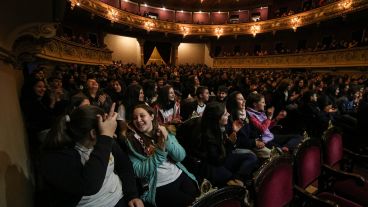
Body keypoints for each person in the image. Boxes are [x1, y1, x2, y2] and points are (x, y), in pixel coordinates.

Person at [40, 104, 144, 207]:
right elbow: (90, 185)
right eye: (108, 129)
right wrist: (106, 137)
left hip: (120, 196)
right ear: (93, 133)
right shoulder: (59, 156)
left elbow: (124, 166)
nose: (113, 134)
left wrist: (132, 195)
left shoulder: (106, 141)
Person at [124, 104, 198, 207]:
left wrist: (166, 139)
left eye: (142, 115)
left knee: (197, 197)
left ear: (151, 116)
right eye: (135, 118)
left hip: (178, 174)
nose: (138, 120)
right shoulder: (131, 141)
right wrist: (160, 151)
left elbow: (181, 156)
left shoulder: (163, 130)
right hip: (159, 184)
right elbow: (138, 171)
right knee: (187, 202)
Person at [199, 102, 258, 187]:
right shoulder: (207, 137)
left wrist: (234, 131)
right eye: (225, 114)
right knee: (237, 184)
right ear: (217, 118)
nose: (229, 114)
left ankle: (239, 178)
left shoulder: (222, 127)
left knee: (251, 157)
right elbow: (218, 161)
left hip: (225, 156)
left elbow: (233, 146)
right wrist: (230, 143)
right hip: (214, 166)